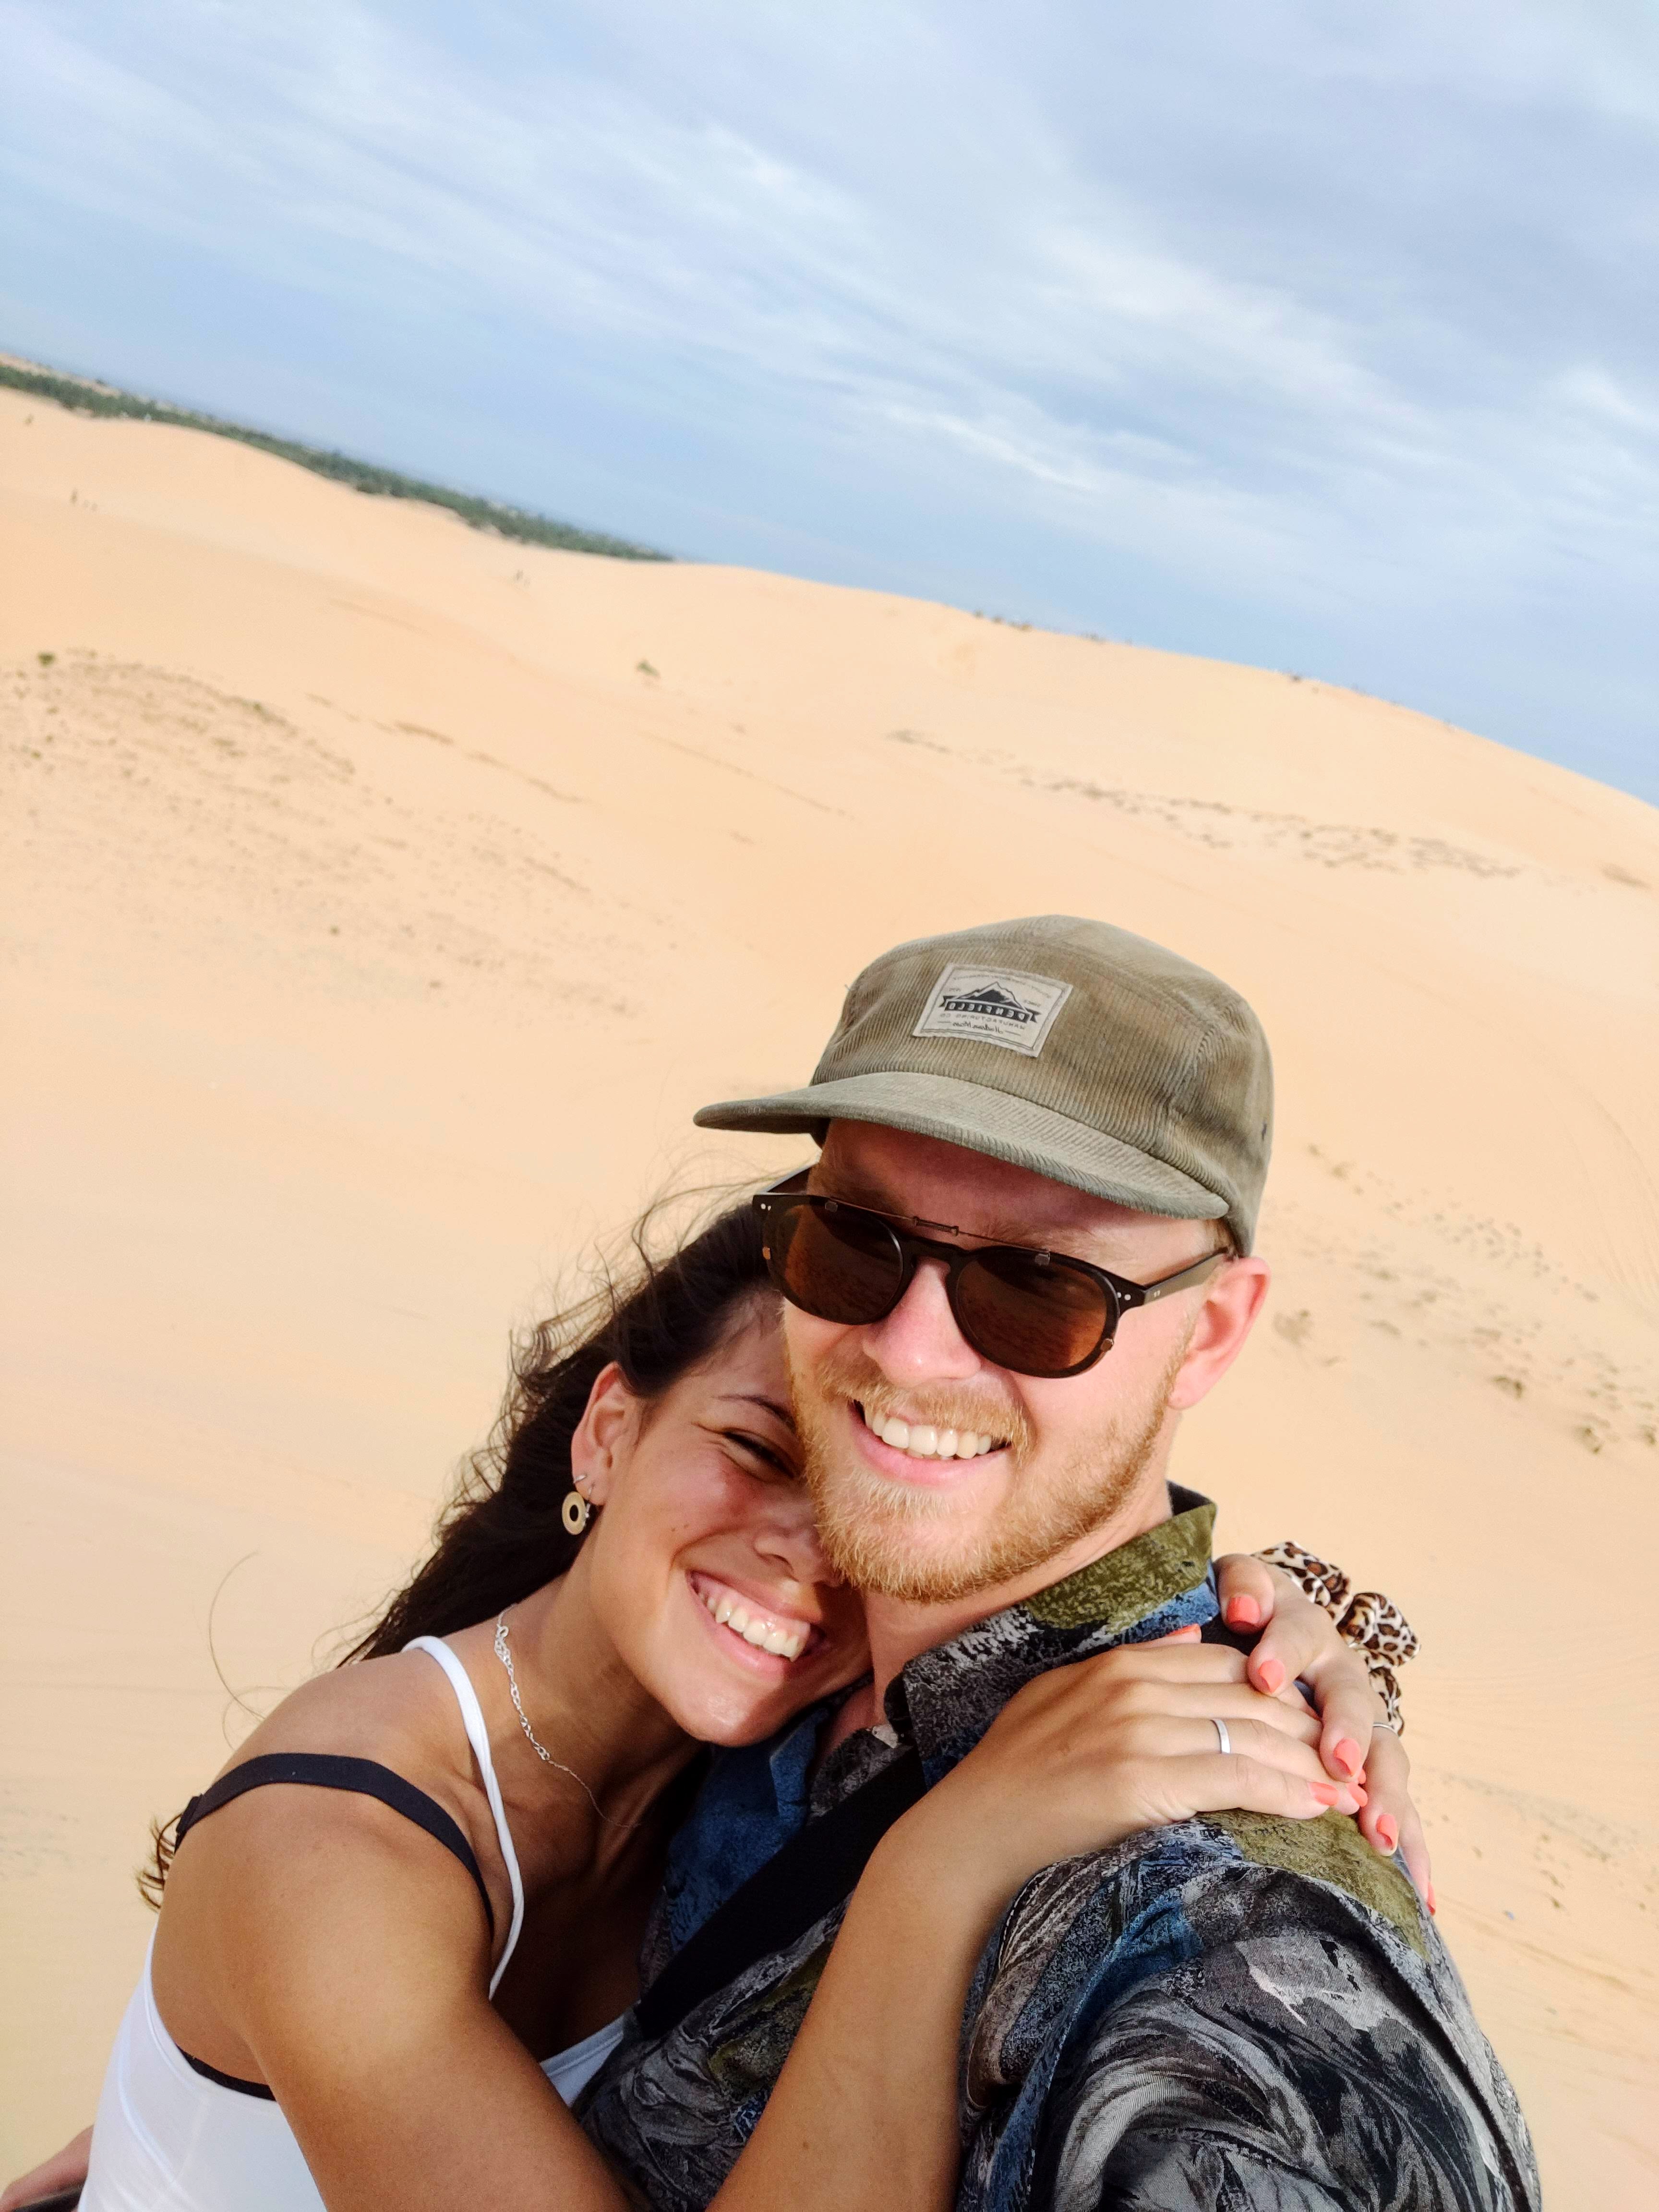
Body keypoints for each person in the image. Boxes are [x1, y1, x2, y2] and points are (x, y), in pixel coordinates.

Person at [6, 1196, 1398, 2212]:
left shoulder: (757, 1769)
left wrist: (1314, 1633)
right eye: (749, 1449)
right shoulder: (328, 1853)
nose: (810, 1551)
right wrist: (942, 1870)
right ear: (608, 1431)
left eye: (866, 1502)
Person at [578, 913, 1540, 2211]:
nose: (910, 1354)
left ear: (1211, 1335)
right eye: (855, 1240)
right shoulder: (761, 1640)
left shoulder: (1225, 1954)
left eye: (1039, 1287)